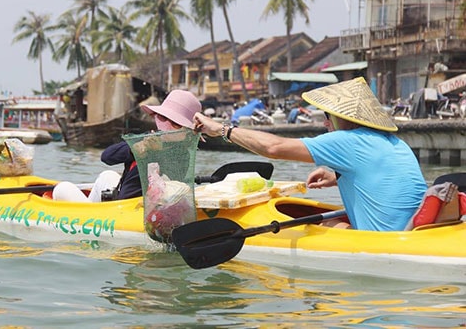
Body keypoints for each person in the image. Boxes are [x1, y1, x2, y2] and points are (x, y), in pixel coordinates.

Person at [193, 77, 428, 231]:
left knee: (319, 226)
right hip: (414, 232)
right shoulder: (397, 143)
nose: (325, 124)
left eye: (327, 116)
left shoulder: (347, 140)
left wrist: (222, 129)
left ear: (342, 118)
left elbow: (273, 148)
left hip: (384, 246)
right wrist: (338, 177)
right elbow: (387, 178)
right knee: (333, 222)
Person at [53, 89, 202, 202]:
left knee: (61, 188)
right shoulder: (148, 138)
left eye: (175, 123)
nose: (166, 124)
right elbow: (107, 157)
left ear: (188, 131)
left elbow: (168, 183)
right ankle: (91, 211)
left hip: (132, 208)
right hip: (120, 199)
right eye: (162, 118)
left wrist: (156, 154)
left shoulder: (183, 154)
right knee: (107, 175)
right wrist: (136, 149)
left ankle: (89, 213)